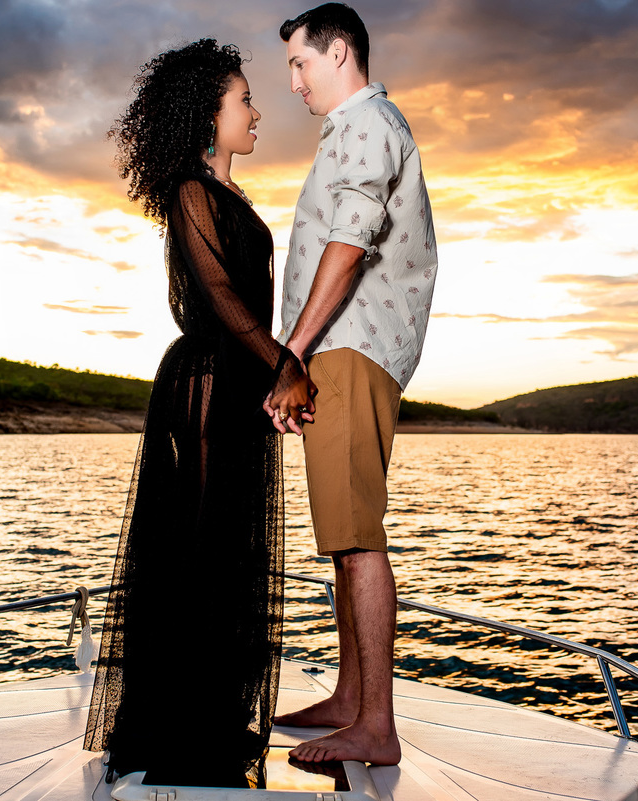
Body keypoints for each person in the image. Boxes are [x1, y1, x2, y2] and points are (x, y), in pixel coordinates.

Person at [84, 39, 315, 788]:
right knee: (203, 550)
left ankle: (209, 715)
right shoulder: (190, 190)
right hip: (210, 378)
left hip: (239, 382)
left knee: (229, 551)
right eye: (244, 99)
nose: (256, 111)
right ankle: (183, 729)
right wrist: (288, 362)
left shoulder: (230, 195)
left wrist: (277, 370)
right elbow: (220, 300)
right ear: (208, 117)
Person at [267, 3, 437, 766]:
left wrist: (292, 353)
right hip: (341, 349)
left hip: (348, 347)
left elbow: (348, 243)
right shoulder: (353, 129)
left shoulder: (370, 123)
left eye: (301, 64)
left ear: (340, 53)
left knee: (358, 535)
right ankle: (349, 696)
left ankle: (377, 725)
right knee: (343, 534)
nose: (294, 84)